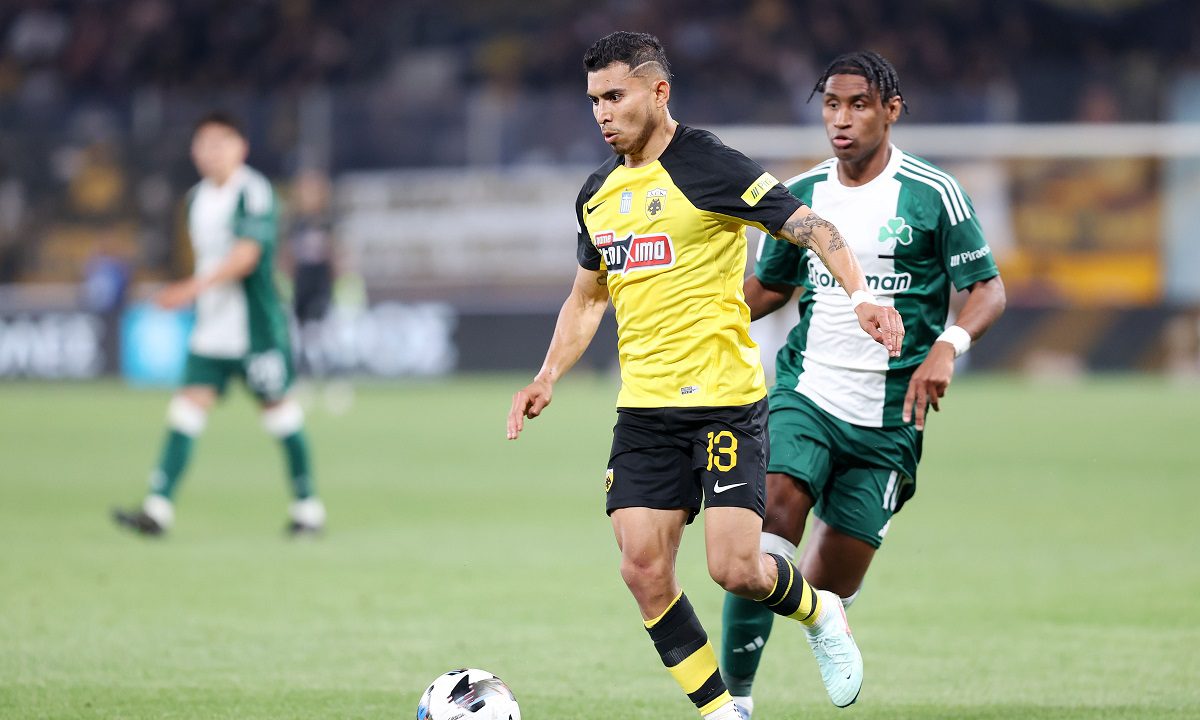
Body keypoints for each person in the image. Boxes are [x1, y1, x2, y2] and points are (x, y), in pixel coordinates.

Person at [507, 33, 904, 718]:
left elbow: (813, 227)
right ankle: (721, 713)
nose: (603, 113)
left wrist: (862, 295)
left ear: (658, 91)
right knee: (642, 569)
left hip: (724, 403)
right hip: (644, 412)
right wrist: (547, 375)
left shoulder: (709, 165)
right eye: (594, 100)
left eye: (616, 95)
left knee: (735, 569)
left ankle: (821, 611)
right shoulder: (597, 194)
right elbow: (587, 298)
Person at [718, 51, 1007, 718]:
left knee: (827, 584)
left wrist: (947, 346)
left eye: (858, 105)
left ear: (891, 110)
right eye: (831, 105)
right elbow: (771, 286)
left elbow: (987, 290)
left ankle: (826, 612)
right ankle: (734, 703)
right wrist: (700, 319)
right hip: (807, 391)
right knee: (770, 525)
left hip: (892, 415)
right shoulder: (802, 196)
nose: (841, 120)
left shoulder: (933, 193)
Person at [113, 112, 325, 537]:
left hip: (256, 329)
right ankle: (157, 509)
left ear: (240, 148)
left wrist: (190, 289)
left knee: (279, 414)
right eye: (203, 144)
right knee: (186, 410)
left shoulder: (253, 192)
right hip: (212, 330)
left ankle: (308, 510)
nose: (211, 152)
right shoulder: (195, 199)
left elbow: (247, 257)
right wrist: (196, 293)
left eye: (220, 143)